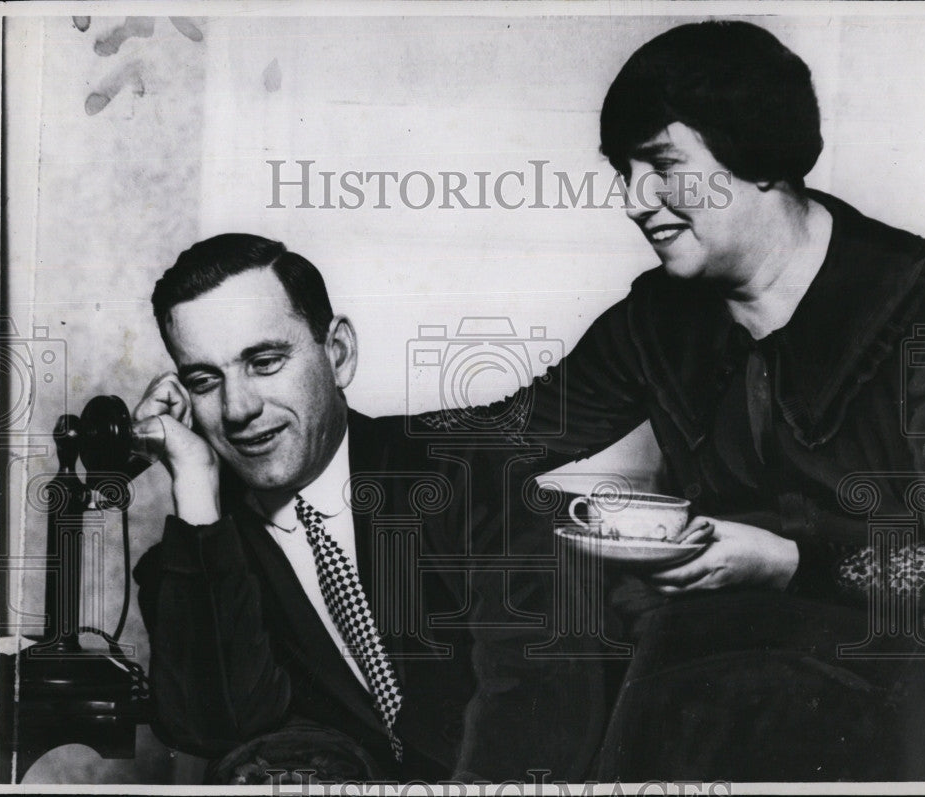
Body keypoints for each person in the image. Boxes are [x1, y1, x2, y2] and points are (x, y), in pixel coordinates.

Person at [417, 21, 925, 780]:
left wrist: (786, 561)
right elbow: (508, 434)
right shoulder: (657, 319)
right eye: (625, 170)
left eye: (662, 164)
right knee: (527, 543)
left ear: (759, 155)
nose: (635, 200)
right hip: (703, 641)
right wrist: (323, 437)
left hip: (879, 663)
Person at [131, 234, 605, 782]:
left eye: (264, 362)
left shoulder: (461, 472)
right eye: (204, 380)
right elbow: (213, 730)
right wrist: (194, 479)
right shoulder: (192, 558)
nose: (238, 408)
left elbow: (538, 688)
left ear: (338, 354)